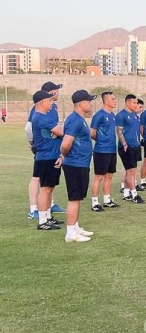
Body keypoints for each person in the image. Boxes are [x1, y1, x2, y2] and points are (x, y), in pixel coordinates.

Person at [60, 90, 97, 243]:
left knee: (78, 198)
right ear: (81, 103)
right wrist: (65, 155)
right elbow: (65, 144)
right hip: (75, 164)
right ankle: (70, 233)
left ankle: (75, 226)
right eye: (88, 102)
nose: (90, 104)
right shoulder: (75, 120)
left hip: (81, 163)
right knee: (74, 198)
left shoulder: (79, 119)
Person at [26, 81, 65, 219]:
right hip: (44, 151)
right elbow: (29, 128)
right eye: (55, 90)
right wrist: (33, 143)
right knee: (39, 180)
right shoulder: (38, 112)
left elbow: (56, 128)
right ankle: (34, 209)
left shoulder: (52, 108)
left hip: (51, 150)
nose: (58, 93)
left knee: (48, 186)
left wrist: (55, 130)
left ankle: (48, 211)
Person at [90, 91, 120, 211]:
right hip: (101, 151)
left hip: (112, 150)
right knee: (99, 177)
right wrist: (102, 141)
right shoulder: (99, 115)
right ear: (106, 101)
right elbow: (92, 133)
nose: (115, 101)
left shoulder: (112, 115)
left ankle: (107, 200)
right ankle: (95, 203)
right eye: (113, 99)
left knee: (109, 175)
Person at [116, 94, 144, 204]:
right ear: (127, 103)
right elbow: (119, 131)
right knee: (131, 171)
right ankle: (134, 194)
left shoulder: (135, 115)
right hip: (127, 147)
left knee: (131, 171)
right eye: (134, 103)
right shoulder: (121, 115)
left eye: (137, 103)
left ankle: (126, 193)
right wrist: (124, 144)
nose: (136, 105)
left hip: (136, 146)